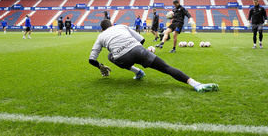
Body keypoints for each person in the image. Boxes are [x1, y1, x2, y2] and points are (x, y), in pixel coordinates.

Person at [88, 19, 219, 93]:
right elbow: (141, 39)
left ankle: (138, 72)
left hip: (122, 59)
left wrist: (100, 66)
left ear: (102, 29)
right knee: (166, 68)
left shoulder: (100, 36)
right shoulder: (121, 26)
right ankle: (196, 84)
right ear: (112, 25)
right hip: (139, 50)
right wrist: (142, 51)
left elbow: (91, 59)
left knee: (111, 56)